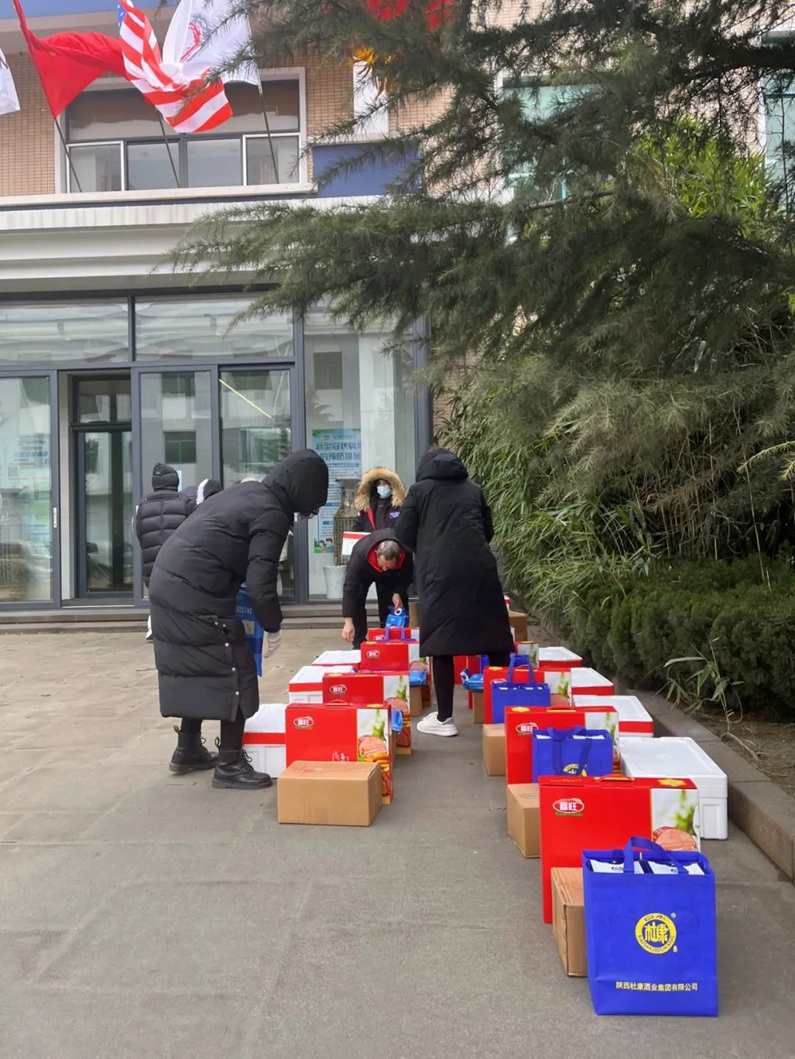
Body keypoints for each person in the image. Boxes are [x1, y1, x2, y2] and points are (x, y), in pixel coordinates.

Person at [148, 449, 329, 789]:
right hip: (194, 590)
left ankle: (188, 748)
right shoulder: (271, 512)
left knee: (200, 664)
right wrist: (273, 625)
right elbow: (261, 583)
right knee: (236, 668)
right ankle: (230, 763)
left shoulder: (247, 492)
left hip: (168, 582)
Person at [394, 446, 513, 737]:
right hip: (480, 568)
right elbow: (487, 530)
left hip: (439, 573)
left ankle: (445, 718)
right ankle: (505, 715)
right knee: (494, 638)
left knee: (441, 642)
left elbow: (403, 533)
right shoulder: (473, 490)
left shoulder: (419, 491)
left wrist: (428, 548)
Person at [134, 464, 197, 642]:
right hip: (180, 556)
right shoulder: (186, 502)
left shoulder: (143, 504)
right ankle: (179, 629)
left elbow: (139, 532)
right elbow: (195, 530)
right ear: (175, 481)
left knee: (158, 594)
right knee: (181, 593)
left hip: (152, 557)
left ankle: (156, 626)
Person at [341, 530, 414, 648]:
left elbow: (407, 576)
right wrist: (348, 622)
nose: (384, 569)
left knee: (392, 604)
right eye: (382, 565)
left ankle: (391, 639)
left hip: (391, 576)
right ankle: (359, 642)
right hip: (365, 571)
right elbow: (350, 588)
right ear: (376, 554)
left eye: (388, 566)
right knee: (357, 600)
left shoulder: (405, 551)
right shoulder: (360, 554)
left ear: (399, 557)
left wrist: (397, 592)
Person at [353, 467, 406, 531]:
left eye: (385, 483)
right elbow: (358, 527)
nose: (382, 486)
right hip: (371, 537)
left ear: (391, 485)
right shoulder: (367, 506)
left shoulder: (399, 506)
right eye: (379, 484)